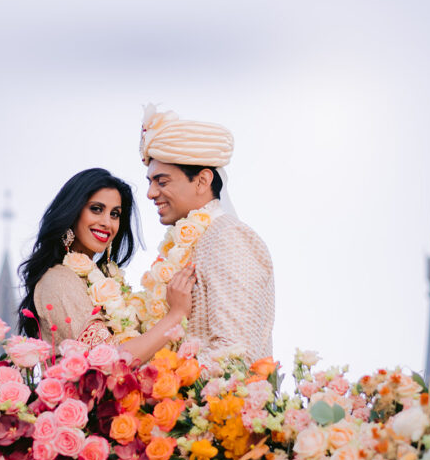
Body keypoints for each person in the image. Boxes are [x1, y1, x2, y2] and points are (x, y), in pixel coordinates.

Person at [17, 168, 196, 362]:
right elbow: (109, 363)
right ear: (72, 211)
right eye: (96, 209)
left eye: (115, 214)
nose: (106, 222)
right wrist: (176, 315)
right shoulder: (58, 280)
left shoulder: (105, 281)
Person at [139, 106, 274, 362]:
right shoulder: (187, 243)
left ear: (202, 181)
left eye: (162, 181)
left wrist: (163, 386)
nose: (151, 193)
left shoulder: (229, 237)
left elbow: (236, 354)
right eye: (150, 182)